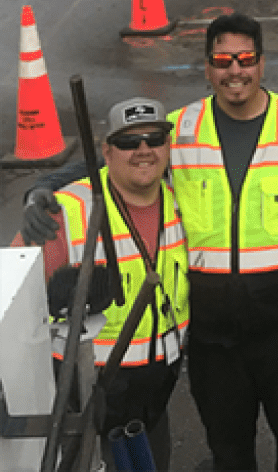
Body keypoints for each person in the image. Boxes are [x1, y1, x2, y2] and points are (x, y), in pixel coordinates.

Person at [22, 12, 278, 472]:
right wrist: (43, 189)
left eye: (245, 58)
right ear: (207, 66)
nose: (234, 70)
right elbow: (113, 163)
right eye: (222, 59)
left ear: (261, 63)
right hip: (214, 338)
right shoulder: (178, 130)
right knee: (228, 449)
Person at [30, 98, 189, 472]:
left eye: (154, 139)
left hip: (156, 388)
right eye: (129, 143)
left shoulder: (182, 200)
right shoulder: (68, 210)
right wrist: (48, 302)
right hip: (88, 391)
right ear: (107, 151)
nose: (144, 151)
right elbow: (13, 300)